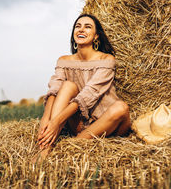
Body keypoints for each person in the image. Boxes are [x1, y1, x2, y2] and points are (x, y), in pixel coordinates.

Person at [35, 14, 131, 160]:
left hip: (108, 124)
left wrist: (57, 122)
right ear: (73, 34)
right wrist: (46, 119)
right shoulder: (64, 60)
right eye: (78, 26)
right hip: (79, 123)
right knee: (67, 86)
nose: (81, 30)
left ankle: (70, 146)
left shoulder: (106, 59)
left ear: (96, 36)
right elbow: (54, 89)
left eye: (88, 27)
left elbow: (89, 93)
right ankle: (46, 147)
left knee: (121, 107)